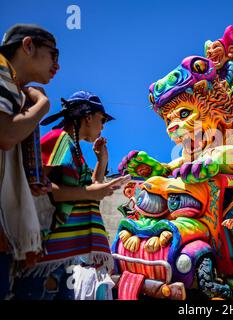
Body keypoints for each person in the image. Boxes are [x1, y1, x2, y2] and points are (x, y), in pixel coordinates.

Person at [12, 91, 128, 300]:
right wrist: (90, 191)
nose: (103, 126)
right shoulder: (59, 140)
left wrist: (102, 162)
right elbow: (38, 188)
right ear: (88, 116)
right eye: (102, 119)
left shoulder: (73, 149)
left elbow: (89, 192)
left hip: (62, 259)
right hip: (45, 256)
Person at [0, 24, 59, 299]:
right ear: (28, 46)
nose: (57, 65)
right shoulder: (1, 72)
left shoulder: (16, 91)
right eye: (53, 55)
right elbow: (7, 134)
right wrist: (42, 106)